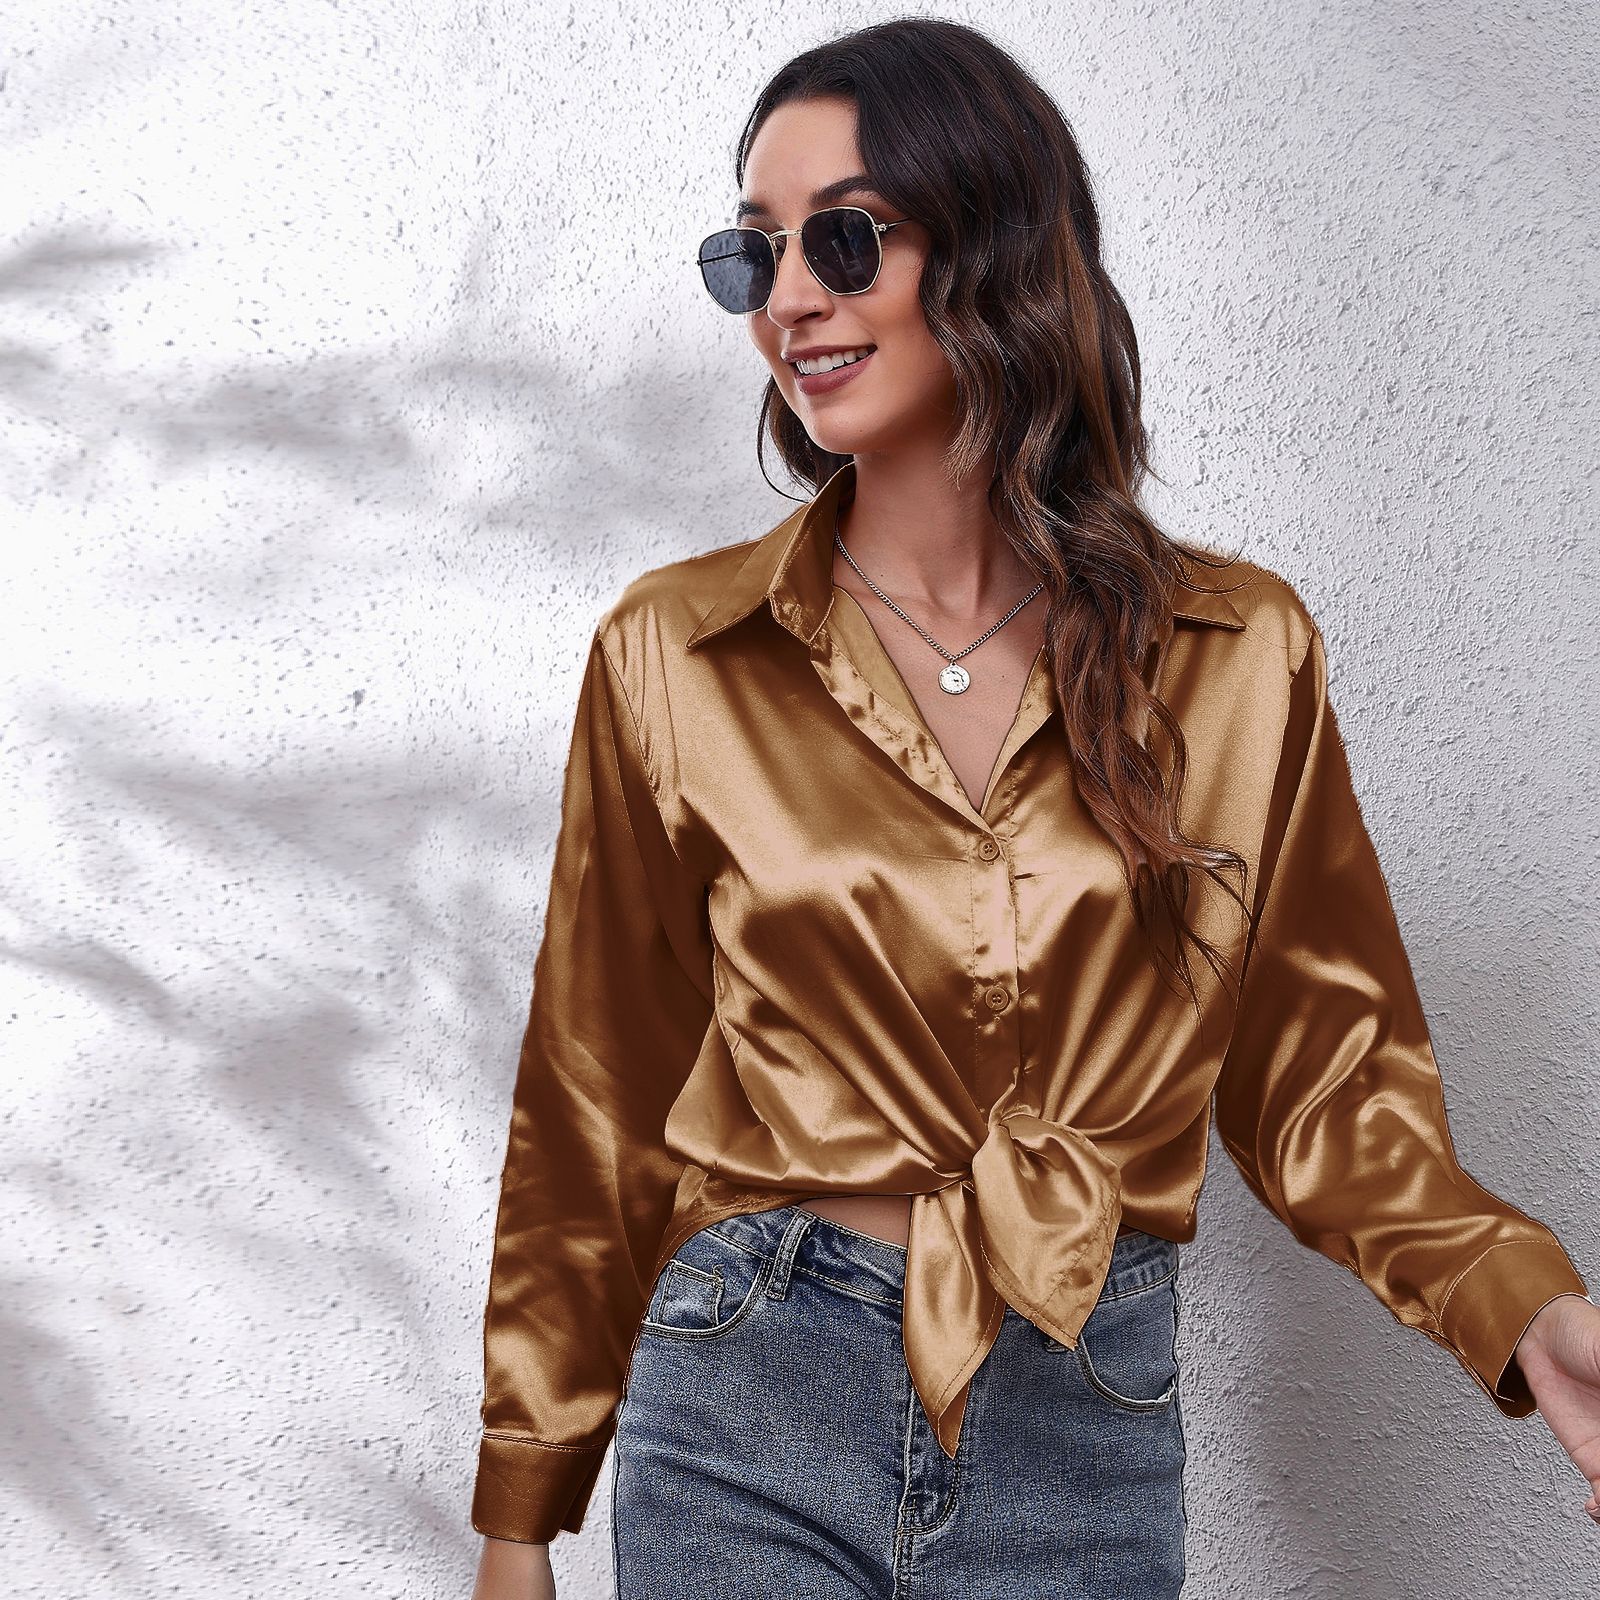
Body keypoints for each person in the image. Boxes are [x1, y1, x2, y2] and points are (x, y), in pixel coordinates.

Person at [469, 19, 1600, 1599]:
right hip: (748, 1388)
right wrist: (519, 1512)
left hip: (1086, 1405)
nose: (790, 298)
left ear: (994, 246)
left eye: (845, 238)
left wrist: (1522, 1300)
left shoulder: (1234, 654)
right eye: (754, 253)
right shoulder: (676, 654)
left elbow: (1322, 1077)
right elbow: (595, 1092)